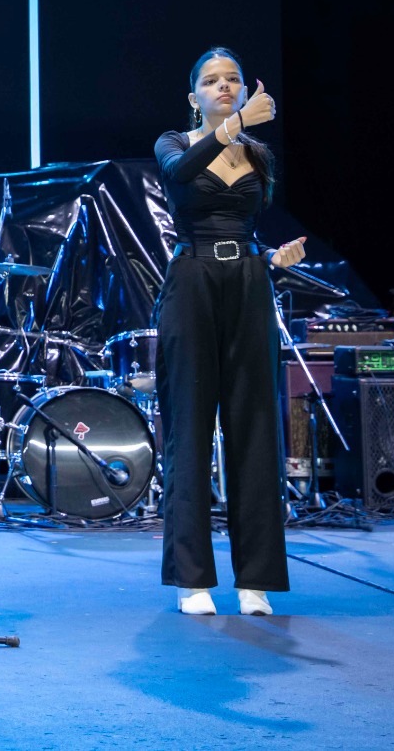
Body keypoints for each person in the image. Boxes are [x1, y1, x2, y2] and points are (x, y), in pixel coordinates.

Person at [154, 47, 306, 616]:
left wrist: (271, 258)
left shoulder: (258, 155)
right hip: (191, 281)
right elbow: (180, 177)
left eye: (233, 79)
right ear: (194, 97)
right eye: (212, 81)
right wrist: (235, 124)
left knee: (255, 427)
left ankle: (255, 580)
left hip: (247, 282)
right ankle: (192, 579)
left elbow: (243, 226)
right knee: (190, 427)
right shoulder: (175, 143)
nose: (224, 86)